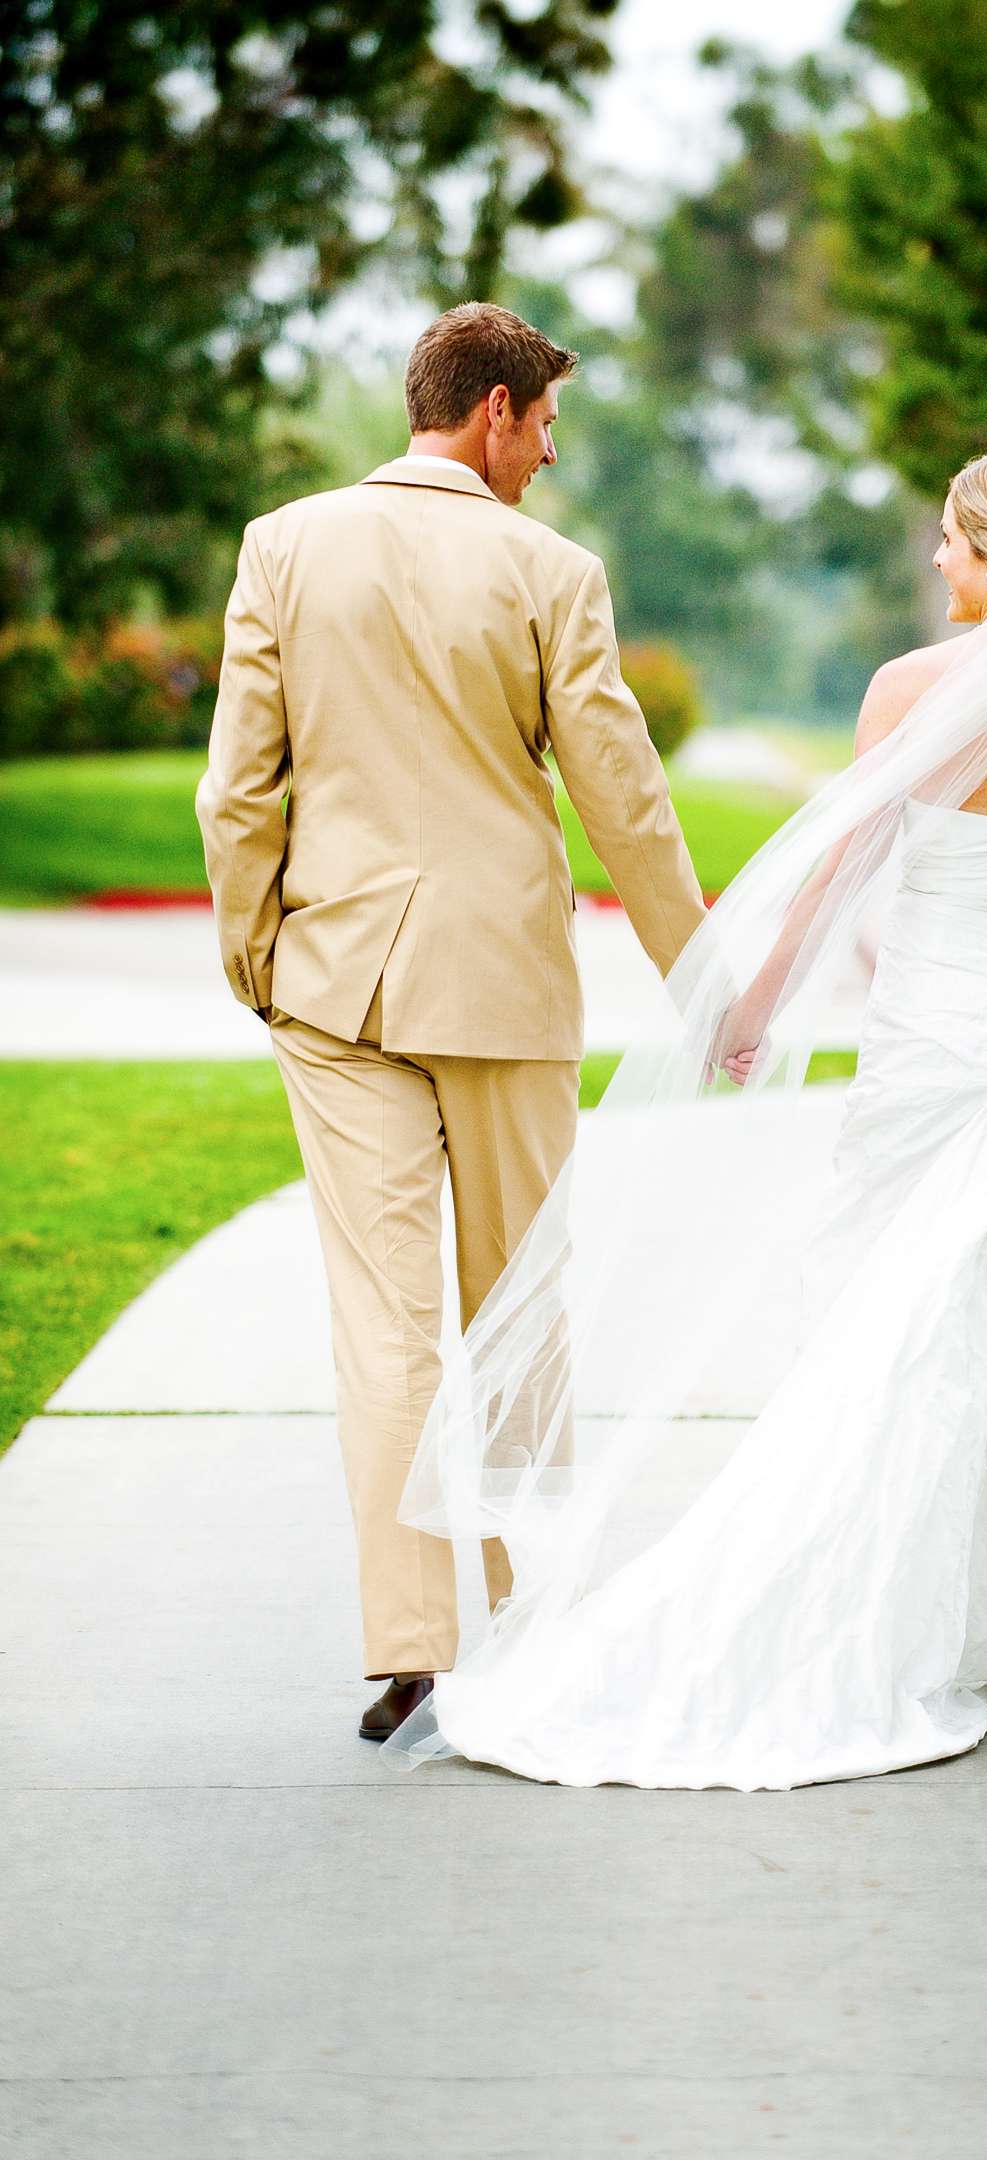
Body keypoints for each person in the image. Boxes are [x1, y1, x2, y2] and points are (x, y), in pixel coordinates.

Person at [378, 444, 987, 1793]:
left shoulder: (909, 694)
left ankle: (872, 1616)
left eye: (950, 540)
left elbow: (839, 872)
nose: (937, 560)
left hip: (931, 1048)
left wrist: (752, 1008)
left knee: (895, 1329)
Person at [196, 302, 707, 1739]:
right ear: (492, 411)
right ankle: (533, 1626)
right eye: (544, 425)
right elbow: (625, 796)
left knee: (384, 1329)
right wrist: (703, 981)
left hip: (335, 986)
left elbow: (239, 789)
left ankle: (411, 1642)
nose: (548, 455)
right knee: (520, 1315)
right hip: (498, 989)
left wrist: (255, 953)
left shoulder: (281, 547)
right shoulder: (552, 571)